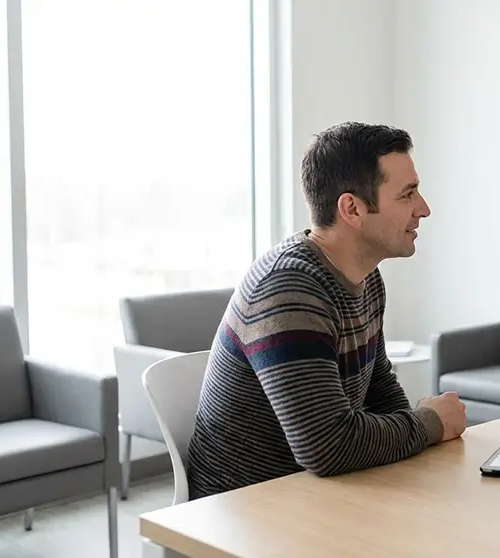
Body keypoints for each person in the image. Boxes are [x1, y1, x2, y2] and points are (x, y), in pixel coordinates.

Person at [187, 122, 467, 499]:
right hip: (249, 511)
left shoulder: (366, 279)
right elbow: (327, 446)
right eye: (407, 195)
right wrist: (431, 422)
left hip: (316, 493)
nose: (424, 209)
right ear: (352, 208)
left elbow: (379, 391)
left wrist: (419, 439)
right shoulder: (288, 286)